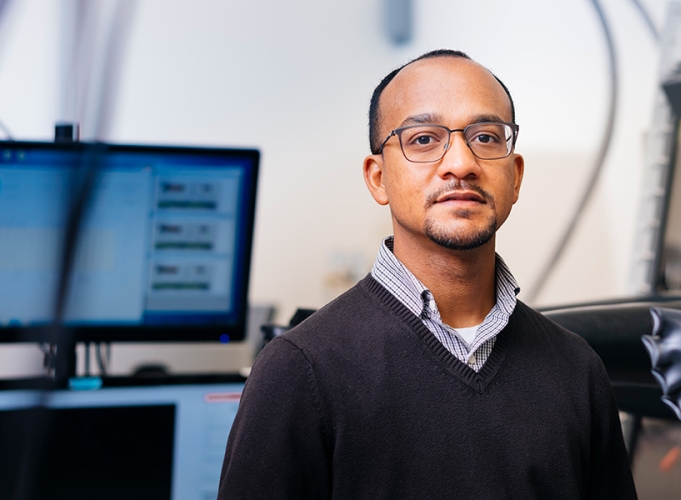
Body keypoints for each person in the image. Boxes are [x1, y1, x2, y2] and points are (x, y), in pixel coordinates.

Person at [218, 49, 637, 499]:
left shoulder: (576, 370)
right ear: (377, 177)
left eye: (487, 137)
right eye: (423, 139)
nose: (461, 163)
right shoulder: (299, 371)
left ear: (514, 176)